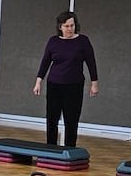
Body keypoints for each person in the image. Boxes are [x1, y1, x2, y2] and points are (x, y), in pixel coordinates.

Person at [32, 11, 98, 147]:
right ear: (60, 27)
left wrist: (94, 83)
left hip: (74, 86)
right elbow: (45, 62)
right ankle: (50, 148)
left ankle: (70, 150)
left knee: (71, 120)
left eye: (72, 25)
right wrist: (38, 82)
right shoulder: (53, 41)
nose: (69, 29)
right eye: (66, 26)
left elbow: (91, 62)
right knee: (52, 119)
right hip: (54, 85)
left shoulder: (83, 41)